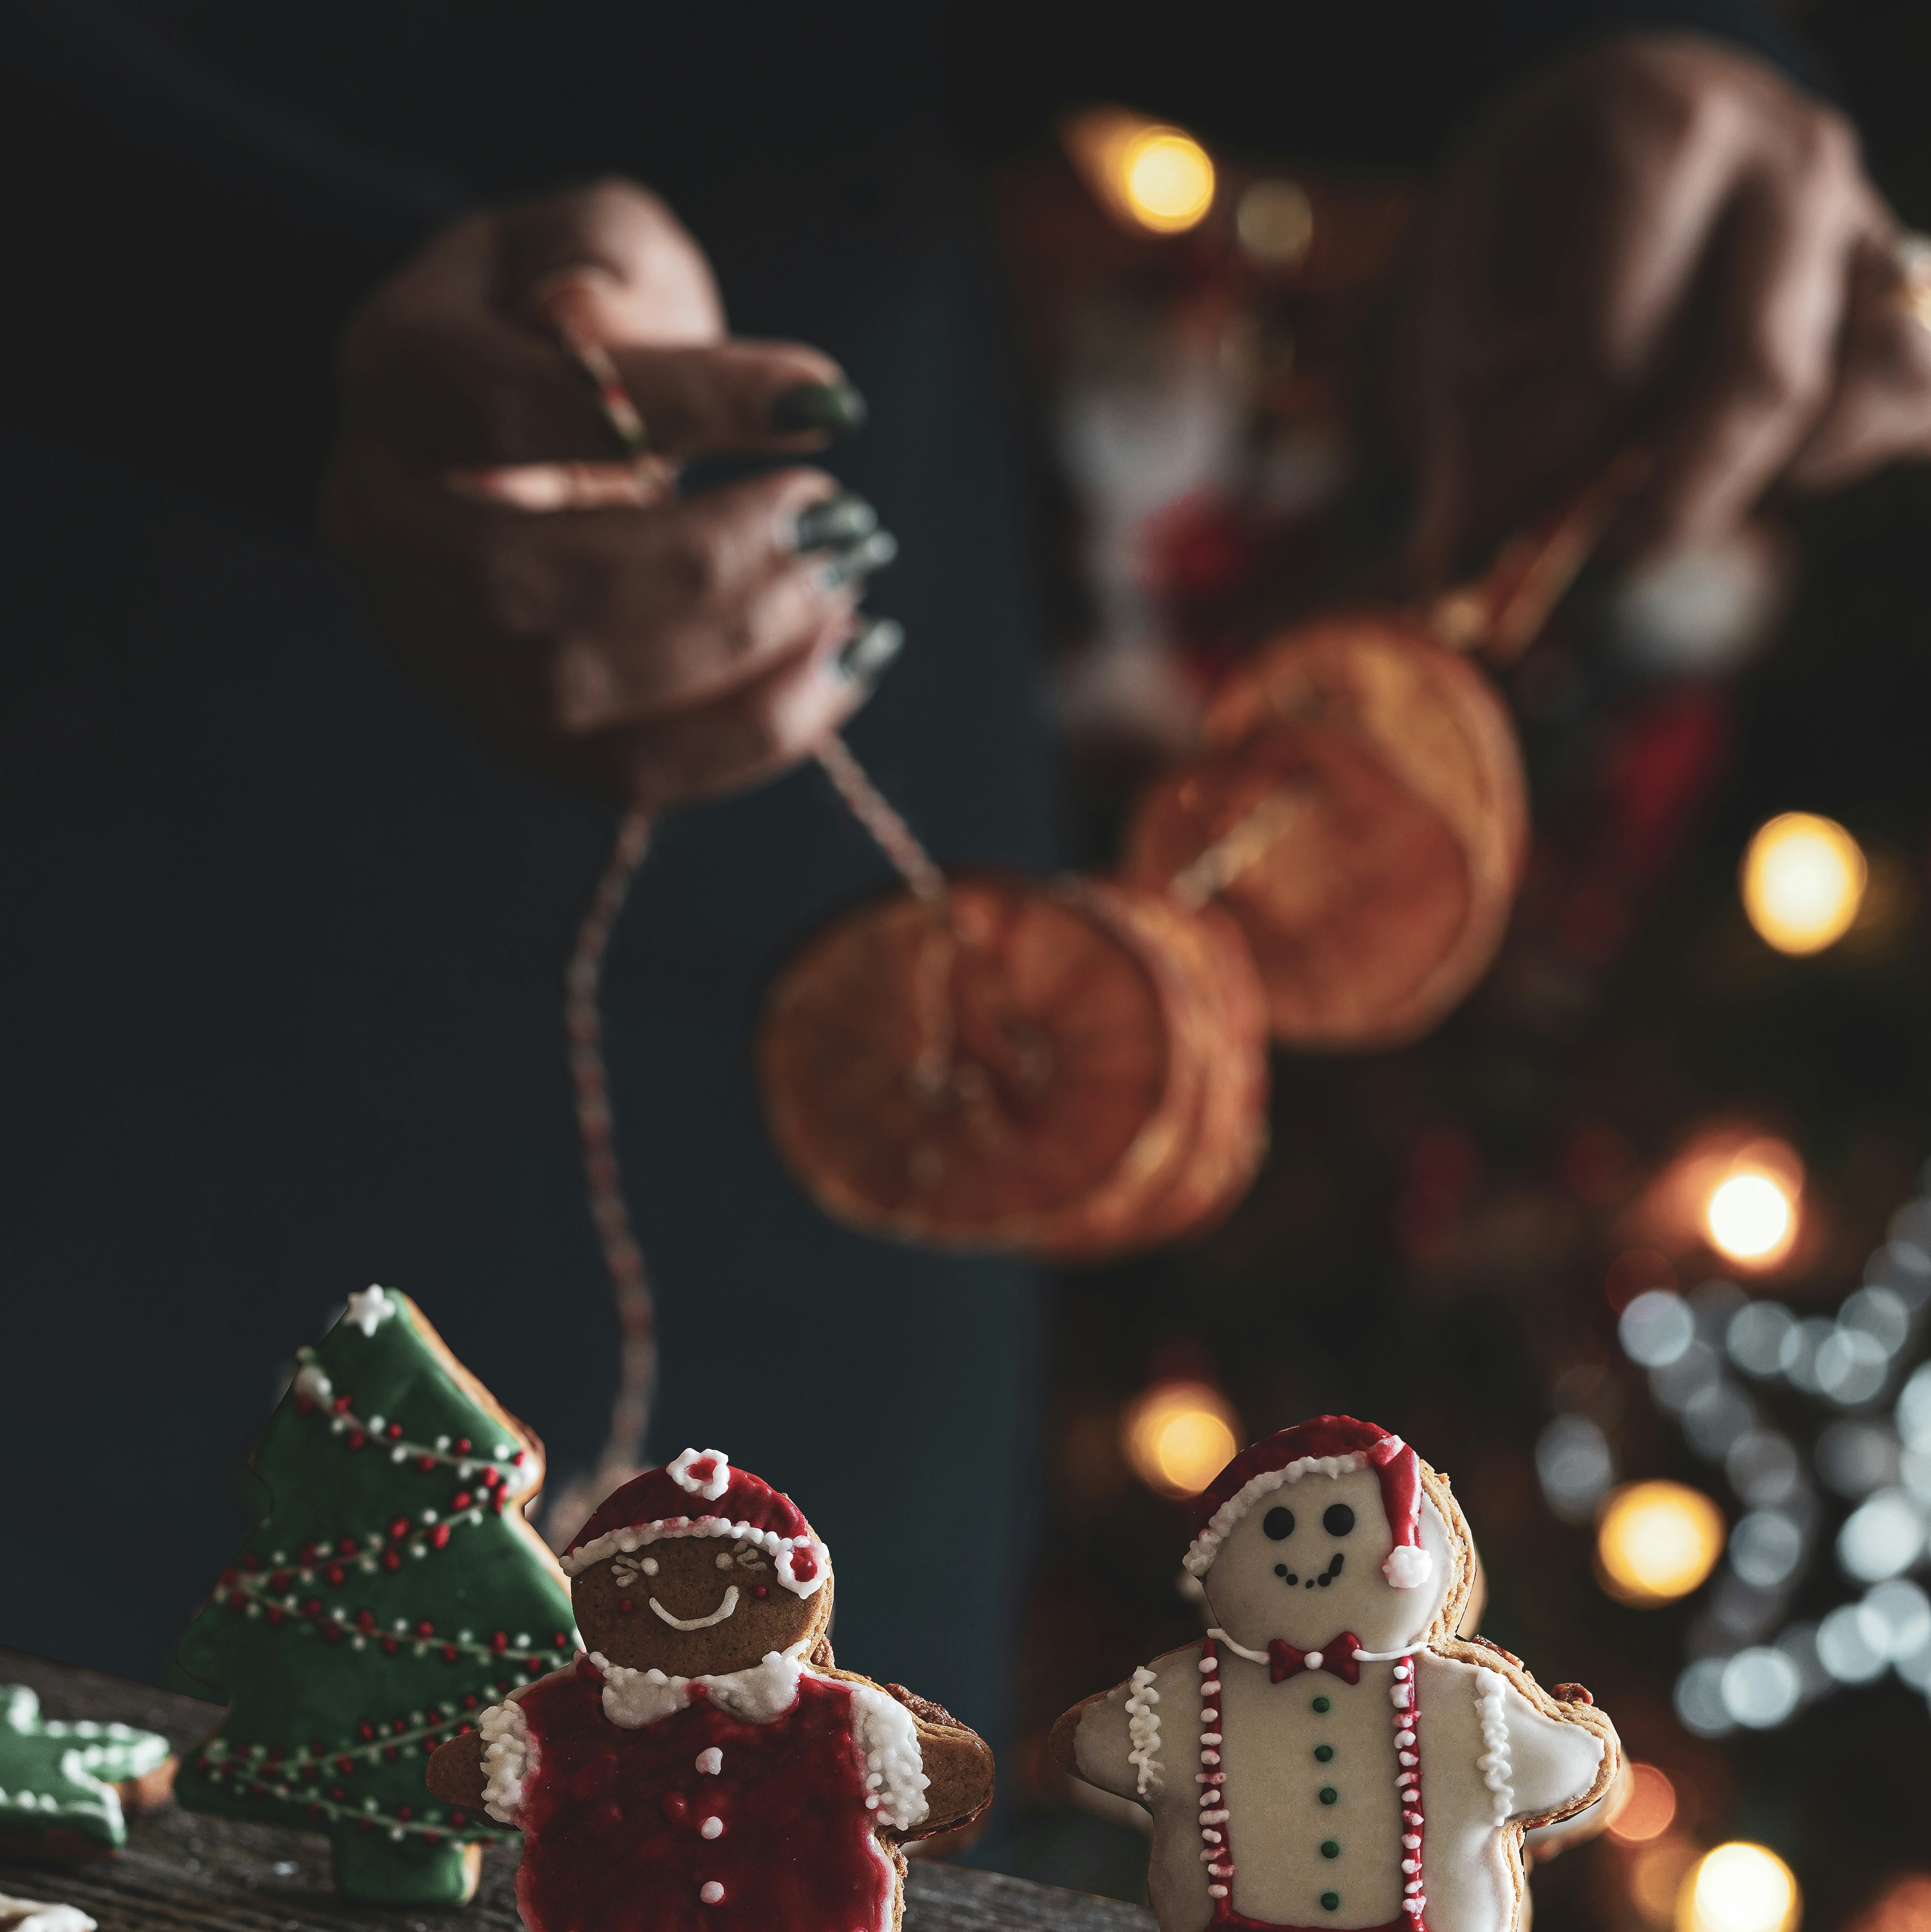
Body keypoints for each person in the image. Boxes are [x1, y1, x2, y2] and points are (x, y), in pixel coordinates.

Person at [7, 4, 1927, 1760]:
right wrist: (258, 312)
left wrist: (1606, 49)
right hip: (122, 780)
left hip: (803, 852)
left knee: (756, 1913)